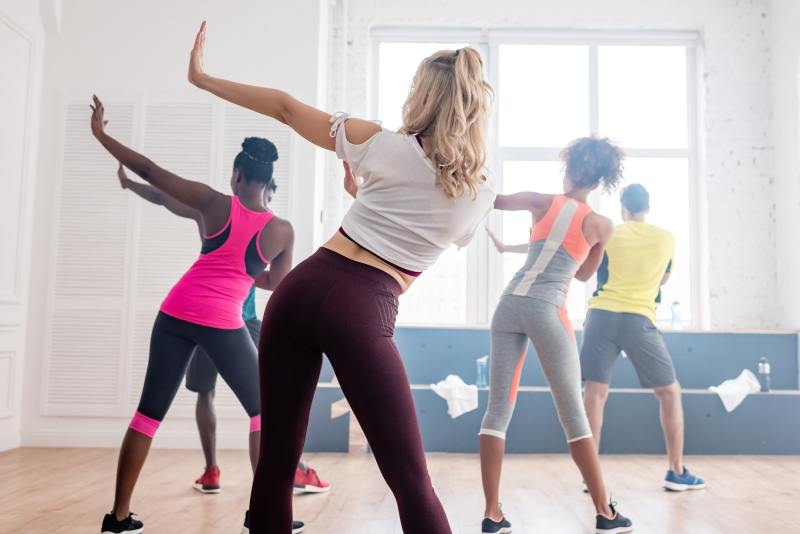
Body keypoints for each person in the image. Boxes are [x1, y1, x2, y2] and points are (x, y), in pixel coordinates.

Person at [187, 21, 495, 534]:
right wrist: (367, 195)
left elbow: (286, 108)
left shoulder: (378, 144)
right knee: (410, 479)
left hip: (302, 289)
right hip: (364, 306)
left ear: (422, 97)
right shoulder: (478, 195)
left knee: (277, 464)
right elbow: (411, 241)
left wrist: (205, 79)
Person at [89, 97, 304, 534]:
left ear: (237, 174)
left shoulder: (212, 203)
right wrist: (246, 274)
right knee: (264, 412)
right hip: (224, 321)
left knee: (148, 414)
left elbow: (154, 173)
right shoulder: (280, 230)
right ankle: (265, 516)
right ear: (268, 181)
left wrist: (101, 135)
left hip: (175, 311)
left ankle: (118, 517)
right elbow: (276, 284)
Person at [116, 166, 329, 497]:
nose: (265, 201)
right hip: (210, 318)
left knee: (264, 406)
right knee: (214, 394)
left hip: (243, 323)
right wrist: (130, 184)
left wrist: (245, 270)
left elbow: (270, 280)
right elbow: (163, 197)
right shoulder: (218, 215)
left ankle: (292, 472)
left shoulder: (267, 230)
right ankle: (212, 470)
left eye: (270, 196)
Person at [479, 137, 633, 534]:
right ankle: (606, 512)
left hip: (508, 304)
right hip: (548, 310)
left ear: (569, 169)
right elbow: (583, 275)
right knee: (574, 416)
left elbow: (490, 200)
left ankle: (492, 514)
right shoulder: (602, 225)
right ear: (600, 179)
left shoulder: (539, 200)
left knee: (497, 410)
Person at [581, 183, 705, 492]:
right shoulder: (666, 238)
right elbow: (664, 277)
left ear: (623, 208)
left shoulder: (610, 232)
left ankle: (590, 475)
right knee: (669, 392)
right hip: (639, 319)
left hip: (601, 316)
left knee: (594, 393)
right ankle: (676, 471)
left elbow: (594, 268)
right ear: (647, 208)